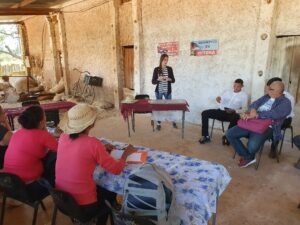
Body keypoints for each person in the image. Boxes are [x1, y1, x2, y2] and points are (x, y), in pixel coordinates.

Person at [56, 103, 136, 225]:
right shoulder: (93, 143)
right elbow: (116, 169)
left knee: (102, 187)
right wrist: (126, 153)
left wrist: (102, 148)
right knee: (110, 192)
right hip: (84, 207)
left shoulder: (63, 137)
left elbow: (79, 150)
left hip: (62, 201)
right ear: (91, 123)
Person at [226, 81, 291, 168]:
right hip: (252, 122)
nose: (268, 90)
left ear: (279, 92)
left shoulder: (285, 102)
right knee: (229, 134)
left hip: (268, 126)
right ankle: (248, 157)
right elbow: (254, 104)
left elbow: (275, 114)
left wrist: (257, 115)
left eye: (271, 89)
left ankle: (248, 155)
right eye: (269, 88)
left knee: (252, 146)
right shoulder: (266, 97)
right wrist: (253, 110)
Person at [3, 105, 58, 199]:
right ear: (41, 122)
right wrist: (45, 131)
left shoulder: (18, 133)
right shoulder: (43, 135)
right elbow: (60, 150)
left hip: (9, 185)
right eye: (45, 117)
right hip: (30, 188)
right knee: (55, 157)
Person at [199, 78, 248, 144]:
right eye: (234, 86)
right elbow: (220, 100)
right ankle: (205, 136)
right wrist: (218, 99)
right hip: (221, 111)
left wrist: (234, 110)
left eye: (238, 86)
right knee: (204, 113)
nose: (235, 88)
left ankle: (227, 137)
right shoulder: (227, 92)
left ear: (242, 86)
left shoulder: (244, 96)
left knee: (236, 117)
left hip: (232, 114)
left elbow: (245, 109)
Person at [266, 77, 295, 158]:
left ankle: (273, 148)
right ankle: (255, 141)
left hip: (286, 118)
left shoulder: (289, 97)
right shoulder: (270, 95)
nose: (269, 90)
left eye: (271, 88)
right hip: (273, 116)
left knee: (276, 124)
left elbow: (285, 113)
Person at [152, 53, 176, 130]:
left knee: (170, 107)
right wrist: (158, 79)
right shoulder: (156, 69)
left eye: (167, 60)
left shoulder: (169, 69)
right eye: (165, 59)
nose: (166, 61)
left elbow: (173, 80)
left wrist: (169, 79)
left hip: (167, 91)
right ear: (161, 60)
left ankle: (173, 121)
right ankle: (158, 123)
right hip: (159, 91)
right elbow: (153, 81)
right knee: (159, 108)